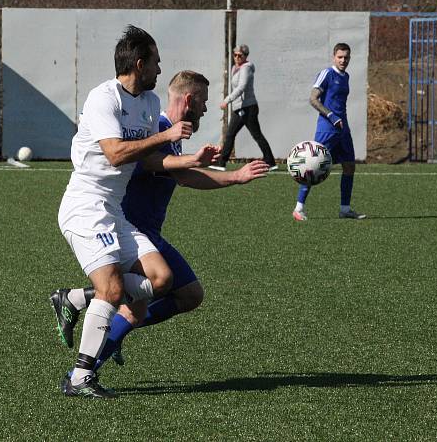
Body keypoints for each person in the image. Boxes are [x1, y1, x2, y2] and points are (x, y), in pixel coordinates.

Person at [51, 71, 269, 373]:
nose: (206, 108)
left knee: (167, 300)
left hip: (146, 230)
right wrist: (233, 176)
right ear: (189, 99)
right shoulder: (160, 129)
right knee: (149, 303)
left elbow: (180, 174)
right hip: (132, 228)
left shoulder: (169, 133)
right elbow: (174, 172)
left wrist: (201, 163)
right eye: (203, 101)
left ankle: (84, 316)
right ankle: (82, 363)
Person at [52, 26, 219, 399]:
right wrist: (167, 135)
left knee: (161, 279)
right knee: (112, 290)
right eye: (156, 63)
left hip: (113, 211)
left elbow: (150, 159)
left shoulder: (146, 102)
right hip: (85, 206)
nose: (160, 70)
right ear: (139, 64)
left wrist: (191, 158)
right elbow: (115, 153)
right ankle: (79, 378)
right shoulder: (103, 98)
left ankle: (76, 299)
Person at [293, 43, 366, 221]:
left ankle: (345, 209)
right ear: (334, 56)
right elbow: (313, 99)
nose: (343, 60)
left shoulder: (346, 76)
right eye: (340, 57)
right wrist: (331, 116)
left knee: (349, 166)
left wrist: (340, 121)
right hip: (327, 128)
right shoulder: (327, 73)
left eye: (346, 57)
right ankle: (298, 208)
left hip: (343, 128)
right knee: (312, 166)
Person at [214, 44, 276, 169]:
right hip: (240, 107)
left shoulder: (246, 68)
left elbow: (241, 87)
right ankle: (270, 161)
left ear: (245, 56)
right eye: (235, 55)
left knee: (248, 134)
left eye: (240, 55)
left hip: (247, 107)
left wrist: (227, 100)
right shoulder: (234, 68)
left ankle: (222, 162)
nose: (237, 57)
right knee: (236, 134)